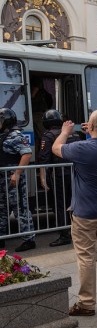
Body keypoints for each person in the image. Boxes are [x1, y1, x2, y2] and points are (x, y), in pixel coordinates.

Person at [52, 109, 97, 316]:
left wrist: (65, 131)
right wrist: (95, 130)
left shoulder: (82, 148)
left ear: (91, 127)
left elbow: (56, 148)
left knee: (86, 256)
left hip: (85, 213)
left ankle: (86, 303)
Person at [38, 109, 82, 247]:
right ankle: (78, 232)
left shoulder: (48, 136)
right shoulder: (74, 133)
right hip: (75, 173)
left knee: (60, 205)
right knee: (73, 203)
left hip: (59, 175)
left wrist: (42, 177)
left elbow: (44, 159)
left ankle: (64, 235)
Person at [0, 108, 36, 252]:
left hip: (14, 180)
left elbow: (26, 154)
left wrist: (17, 173)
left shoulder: (15, 136)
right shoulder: (3, 135)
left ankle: (29, 239)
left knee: (20, 208)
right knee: (2, 209)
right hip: (3, 180)